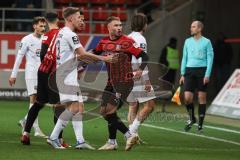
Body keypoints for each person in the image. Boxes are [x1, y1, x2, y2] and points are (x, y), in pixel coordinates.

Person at [47, 7, 116, 149]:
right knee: (74, 107)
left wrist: (89, 60)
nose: (81, 20)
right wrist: (104, 58)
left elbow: (76, 56)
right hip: (66, 76)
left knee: (79, 108)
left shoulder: (61, 33)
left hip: (64, 74)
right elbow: (83, 54)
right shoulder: (71, 35)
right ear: (70, 19)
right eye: (79, 17)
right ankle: (53, 137)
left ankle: (80, 141)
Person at [93, 16, 149, 151]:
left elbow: (145, 56)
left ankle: (119, 139)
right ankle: (120, 138)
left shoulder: (127, 42)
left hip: (124, 82)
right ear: (108, 28)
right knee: (104, 112)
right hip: (110, 81)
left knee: (110, 110)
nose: (119, 28)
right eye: (116, 25)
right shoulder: (103, 42)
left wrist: (141, 70)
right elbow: (95, 53)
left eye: (120, 25)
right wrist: (82, 63)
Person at [20, 12, 70, 148]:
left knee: (38, 103)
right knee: (59, 106)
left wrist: (45, 65)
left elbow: (43, 53)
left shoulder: (46, 35)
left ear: (46, 22)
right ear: (58, 20)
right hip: (53, 74)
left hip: (42, 71)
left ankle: (25, 133)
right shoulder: (61, 33)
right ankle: (58, 139)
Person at [9, 16, 46, 138]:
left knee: (42, 101)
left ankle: (25, 121)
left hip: (42, 73)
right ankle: (36, 129)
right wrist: (13, 75)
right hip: (31, 73)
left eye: (44, 26)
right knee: (34, 99)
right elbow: (19, 58)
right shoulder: (26, 39)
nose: (43, 28)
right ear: (34, 26)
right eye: (40, 26)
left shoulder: (45, 39)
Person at [179, 21, 214, 132]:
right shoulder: (187, 41)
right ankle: (192, 118)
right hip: (189, 71)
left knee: (201, 98)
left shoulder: (207, 42)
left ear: (199, 29)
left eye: (193, 27)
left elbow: (210, 59)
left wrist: (207, 74)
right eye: (191, 26)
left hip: (202, 71)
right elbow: (184, 57)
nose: (191, 28)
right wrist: (182, 73)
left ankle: (200, 126)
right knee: (187, 98)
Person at [127, 13, 155, 143]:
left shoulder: (128, 37)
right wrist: (147, 80)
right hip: (138, 75)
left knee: (133, 106)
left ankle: (133, 136)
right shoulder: (141, 39)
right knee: (150, 105)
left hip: (127, 75)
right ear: (144, 24)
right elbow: (141, 60)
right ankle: (131, 131)